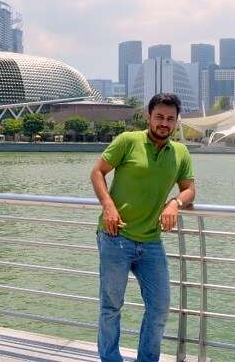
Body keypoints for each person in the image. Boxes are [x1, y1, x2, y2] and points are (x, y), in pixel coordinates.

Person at [90, 93, 196, 362]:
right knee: (111, 306)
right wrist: (108, 205)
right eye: (159, 116)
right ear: (148, 116)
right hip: (116, 237)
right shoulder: (128, 141)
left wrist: (175, 203)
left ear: (176, 122)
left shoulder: (181, 152)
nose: (164, 123)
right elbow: (97, 172)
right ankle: (110, 358)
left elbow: (189, 189)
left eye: (170, 119)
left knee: (160, 307)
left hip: (151, 242)